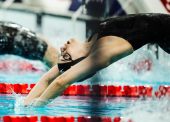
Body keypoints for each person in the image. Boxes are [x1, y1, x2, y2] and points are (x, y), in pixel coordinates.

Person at [23, 13, 170, 106]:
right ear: (81, 60)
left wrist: (26, 104)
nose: (62, 49)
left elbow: (47, 79)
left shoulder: (91, 41)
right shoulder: (102, 53)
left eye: (63, 56)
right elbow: (62, 81)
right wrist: (35, 109)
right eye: (66, 56)